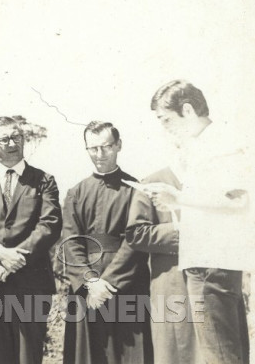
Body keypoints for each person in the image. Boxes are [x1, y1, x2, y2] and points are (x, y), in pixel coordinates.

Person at [143, 80, 253, 364]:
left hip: (209, 266)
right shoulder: (206, 144)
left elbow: (237, 199)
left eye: (166, 119)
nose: (165, 127)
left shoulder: (219, 144)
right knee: (227, 351)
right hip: (212, 264)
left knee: (219, 354)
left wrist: (179, 198)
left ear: (188, 110)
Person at [0, 116, 62, 364]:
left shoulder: (44, 180)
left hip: (31, 283)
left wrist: (13, 258)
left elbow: (49, 225)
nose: (10, 143)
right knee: (0, 357)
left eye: (16, 137)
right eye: (3, 138)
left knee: (29, 357)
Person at [60, 121, 152, 364]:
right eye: (93, 148)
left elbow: (136, 240)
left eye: (105, 147)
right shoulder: (75, 192)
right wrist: (91, 282)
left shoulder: (136, 190)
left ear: (118, 145)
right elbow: (70, 242)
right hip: (87, 288)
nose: (99, 155)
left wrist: (107, 283)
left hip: (126, 282)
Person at [125, 141, 196, 363]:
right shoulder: (152, 183)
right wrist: (181, 233)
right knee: (174, 351)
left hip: (211, 282)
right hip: (172, 283)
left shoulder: (211, 182)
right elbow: (136, 233)